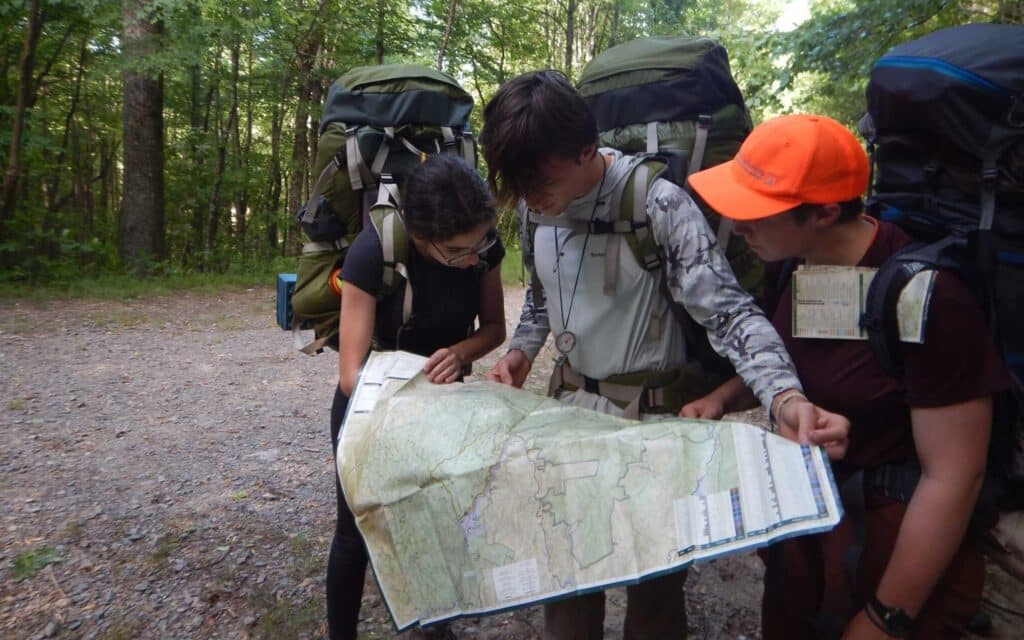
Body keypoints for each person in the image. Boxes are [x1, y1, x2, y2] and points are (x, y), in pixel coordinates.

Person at [480, 70, 849, 640]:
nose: (529, 197)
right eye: (519, 184)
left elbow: (729, 313)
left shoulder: (657, 202)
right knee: (568, 583)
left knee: (654, 590)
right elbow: (541, 297)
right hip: (569, 420)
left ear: (585, 150)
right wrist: (521, 353)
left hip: (654, 426)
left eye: (539, 180)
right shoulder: (536, 211)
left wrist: (784, 396)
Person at [685, 113, 1010, 639]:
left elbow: (954, 477)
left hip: (891, 558)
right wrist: (722, 398)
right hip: (810, 544)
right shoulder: (794, 264)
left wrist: (886, 616)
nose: (738, 226)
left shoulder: (928, 298)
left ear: (824, 213)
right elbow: (786, 355)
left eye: (756, 212)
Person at [327, 154, 507, 640]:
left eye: (479, 245)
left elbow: (494, 328)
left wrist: (462, 352)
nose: (472, 259)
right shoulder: (374, 252)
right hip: (372, 409)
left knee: (438, 520)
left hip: (444, 405)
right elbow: (350, 374)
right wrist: (416, 382)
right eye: (457, 252)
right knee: (355, 533)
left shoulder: (484, 248)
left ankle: (437, 628)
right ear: (421, 237)